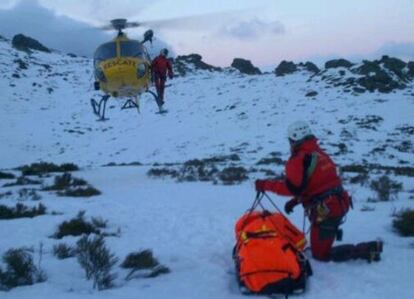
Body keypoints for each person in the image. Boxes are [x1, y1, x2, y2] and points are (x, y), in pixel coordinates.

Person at [255, 121, 383, 262]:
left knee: (320, 255)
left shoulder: (298, 159)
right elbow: (316, 185)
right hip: (338, 203)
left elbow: (292, 188)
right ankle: (330, 237)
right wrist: (295, 201)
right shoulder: (319, 153)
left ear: (293, 140)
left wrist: (264, 184)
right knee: (320, 243)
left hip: (327, 209)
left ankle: (366, 250)